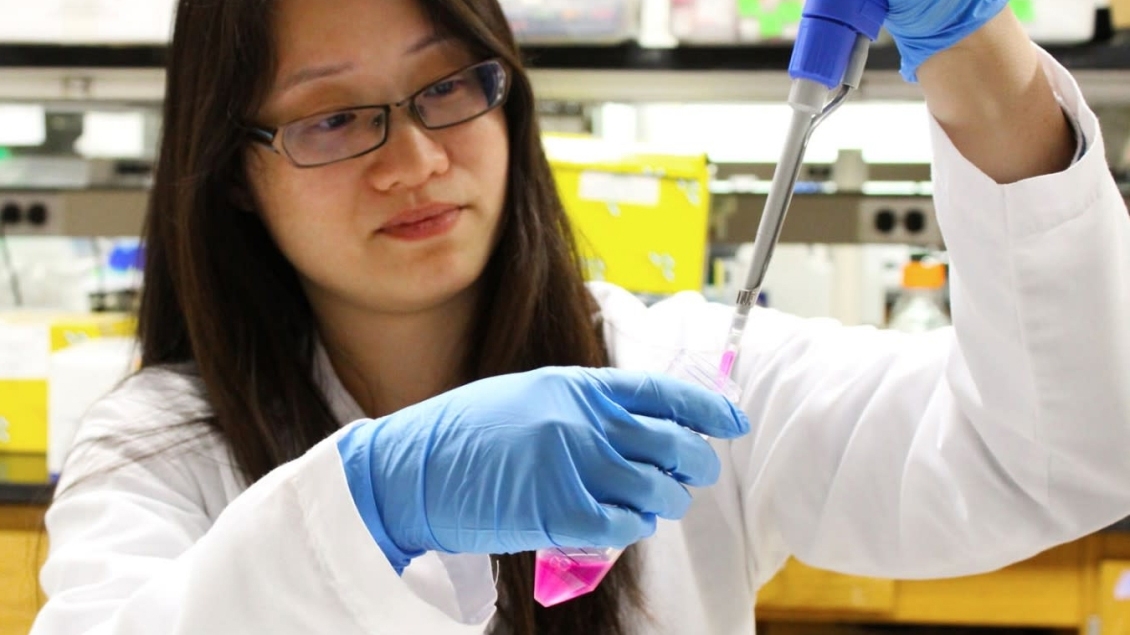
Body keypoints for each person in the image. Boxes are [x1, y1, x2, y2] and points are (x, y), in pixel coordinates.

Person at [29, 0, 1130, 632]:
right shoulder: (157, 446)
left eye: (448, 87)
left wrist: (979, 63)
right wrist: (369, 505)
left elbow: (1052, 456)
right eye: (331, 119)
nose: (414, 160)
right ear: (232, 169)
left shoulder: (679, 377)